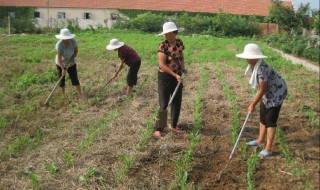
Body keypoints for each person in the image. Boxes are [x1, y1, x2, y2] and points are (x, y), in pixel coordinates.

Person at [236, 43, 287, 159]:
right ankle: (259, 140)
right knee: (263, 116)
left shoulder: (262, 69)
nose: (247, 59)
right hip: (267, 93)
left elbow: (262, 89)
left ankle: (268, 148)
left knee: (270, 120)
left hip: (276, 94)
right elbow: (261, 89)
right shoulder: (255, 66)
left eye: (249, 57)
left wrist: (252, 104)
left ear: (255, 57)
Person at [153, 22, 186, 138]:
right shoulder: (163, 46)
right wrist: (174, 74)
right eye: (165, 34)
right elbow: (162, 65)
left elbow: (181, 57)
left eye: (169, 33)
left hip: (177, 76)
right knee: (164, 103)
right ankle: (158, 128)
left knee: (177, 101)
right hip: (165, 77)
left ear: (174, 33)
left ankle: (173, 125)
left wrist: (183, 69)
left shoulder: (180, 43)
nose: (166, 36)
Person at [55, 28, 82, 102]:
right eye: (65, 38)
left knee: (74, 78)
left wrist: (71, 59)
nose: (67, 39)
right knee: (62, 80)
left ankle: (80, 95)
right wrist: (62, 69)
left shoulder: (73, 41)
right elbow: (59, 57)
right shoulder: (59, 45)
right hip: (61, 63)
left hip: (71, 62)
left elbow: (76, 51)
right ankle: (63, 95)